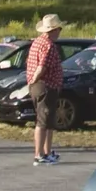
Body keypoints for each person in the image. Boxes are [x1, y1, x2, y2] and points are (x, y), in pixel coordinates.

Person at [26, 13, 65, 165]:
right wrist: (34, 80)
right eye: (58, 29)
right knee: (43, 121)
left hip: (45, 86)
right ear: (53, 30)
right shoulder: (48, 45)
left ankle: (47, 152)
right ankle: (39, 154)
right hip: (45, 86)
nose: (59, 32)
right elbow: (41, 67)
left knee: (48, 121)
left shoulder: (37, 42)